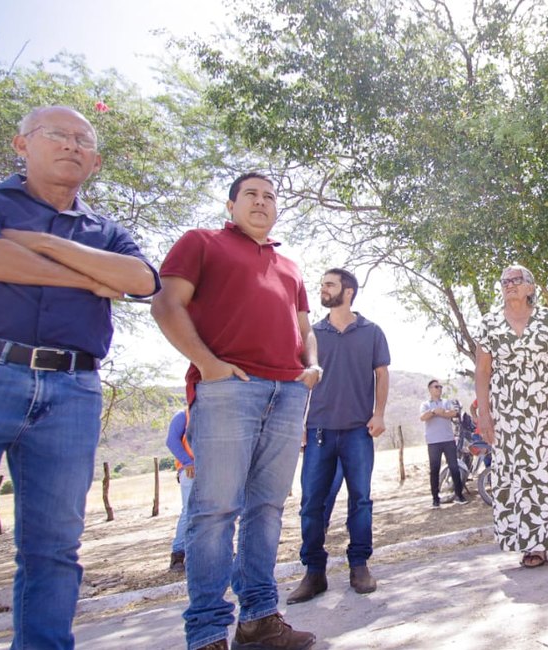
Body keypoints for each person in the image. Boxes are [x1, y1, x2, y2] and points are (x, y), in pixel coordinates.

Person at [0, 105, 159, 648]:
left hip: (73, 390)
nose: (71, 145)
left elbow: (140, 280)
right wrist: (89, 276)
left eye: (82, 140)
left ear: (94, 161)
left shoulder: (106, 229)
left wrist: (40, 243)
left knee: (54, 548)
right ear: (21, 145)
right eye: (57, 135)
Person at [151, 172, 321, 650]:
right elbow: (166, 305)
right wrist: (209, 365)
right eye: (251, 194)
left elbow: (304, 326)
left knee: (267, 509)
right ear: (230, 206)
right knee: (214, 511)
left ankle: (260, 619)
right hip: (229, 390)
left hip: (288, 393)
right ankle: (207, 632)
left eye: (270, 196)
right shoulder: (201, 243)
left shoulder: (289, 266)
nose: (261, 202)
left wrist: (310, 366)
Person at [475, 265, 548, 568]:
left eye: (516, 280)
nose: (509, 284)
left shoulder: (546, 318)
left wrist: (541, 385)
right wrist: (484, 415)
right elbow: (483, 371)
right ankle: (533, 544)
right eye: (504, 281)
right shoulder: (489, 323)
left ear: (530, 287)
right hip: (511, 413)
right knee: (522, 472)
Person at [288, 267, 389, 604]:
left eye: (329, 284)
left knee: (360, 501)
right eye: (322, 285)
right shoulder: (311, 333)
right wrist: (299, 422)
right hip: (318, 430)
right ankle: (314, 572)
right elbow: (300, 379)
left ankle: (359, 565)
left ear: (348, 291)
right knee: (312, 505)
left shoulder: (372, 331)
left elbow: (381, 374)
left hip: (359, 431)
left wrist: (379, 413)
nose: (323, 289)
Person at [420, 380, 467, 508]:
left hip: (448, 440)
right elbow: (423, 417)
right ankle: (435, 499)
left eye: (440, 387)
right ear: (430, 389)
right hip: (433, 441)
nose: (439, 389)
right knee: (434, 469)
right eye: (436, 387)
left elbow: (454, 413)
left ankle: (459, 495)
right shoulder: (425, 404)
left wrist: (443, 413)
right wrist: (435, 412)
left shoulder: (446, 402)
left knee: (454, 467)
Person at [165, 409, 193, 573]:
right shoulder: (183, 415)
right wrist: (187, 462)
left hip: (214, 469)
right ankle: (178, 554)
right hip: (191, 470)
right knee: (189, 511)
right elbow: (172, 441)